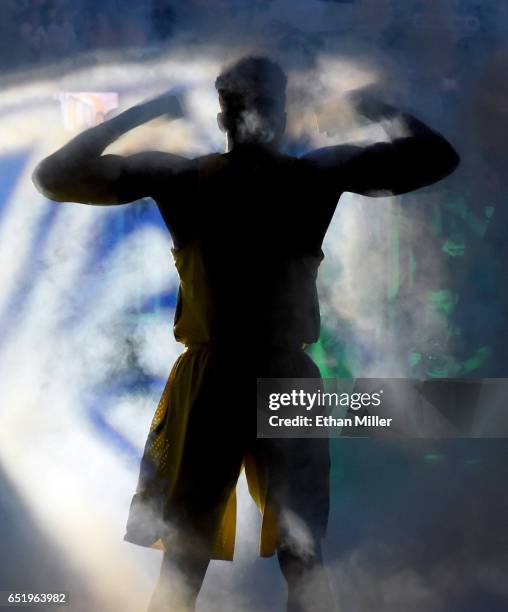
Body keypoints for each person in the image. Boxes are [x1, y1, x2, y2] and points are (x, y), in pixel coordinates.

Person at [32, 56, 460, 611]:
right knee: (273, 555)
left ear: (225, 116)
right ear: (266, 114)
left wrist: (146, 112)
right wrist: (373, 107)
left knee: (242, 555)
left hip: (234, 377)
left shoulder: (200, 179)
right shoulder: (302, 177)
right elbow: (436, 157)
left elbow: (54, 176)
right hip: (255, 374)